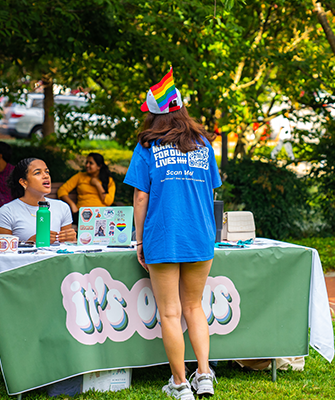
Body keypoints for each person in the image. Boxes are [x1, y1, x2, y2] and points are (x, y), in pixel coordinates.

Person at [124, 67, 221, 399]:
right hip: (200, 237)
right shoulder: (204, 146)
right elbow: (210, 192)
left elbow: (140, 196)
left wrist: (138, 239)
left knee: (170, 312)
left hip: (162, 236)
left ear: (155, 114)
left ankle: (180, 384)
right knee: (195, 307)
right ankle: (204, 375)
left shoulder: (147, 146)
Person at [0, 158, 76, 243]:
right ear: (23, 182)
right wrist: (29, 242)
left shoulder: (62, 207)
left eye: (47, 172)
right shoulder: (6, 212)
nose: (46, 176)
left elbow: (67, 248)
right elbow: (2, 250)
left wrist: (72, 240)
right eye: (37, 173)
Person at [57, 152, 116, 224]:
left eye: (91, 163)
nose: (87, 165)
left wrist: (97, 185)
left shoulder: (108, 181)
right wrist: (72, 205)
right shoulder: (80, 176)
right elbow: (62, 190)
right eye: (86, 162)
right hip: (83, 213)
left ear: (99, 166)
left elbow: (108, 202)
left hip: (102, 214)